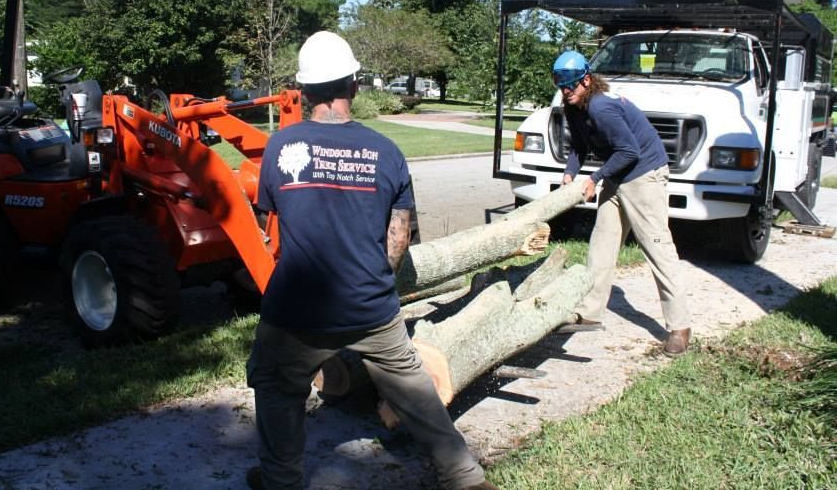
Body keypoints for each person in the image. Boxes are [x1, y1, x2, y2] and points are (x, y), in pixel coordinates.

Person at [246, 31, 496, 490]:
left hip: (297, 308)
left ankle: (281, 479)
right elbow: (397, 242)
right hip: (372, 307)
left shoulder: (282, 148)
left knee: (277, 386)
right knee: (416, 392)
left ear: (303, 91)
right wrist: (371, 285)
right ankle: (464, 476)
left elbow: (269, 218)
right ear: (354, 86)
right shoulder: (387, 152)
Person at [552, 51, 692, 357]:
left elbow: (630, 151)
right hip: (618, 173)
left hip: (644, 174)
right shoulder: (573, 106)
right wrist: (569, 175)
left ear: (586, 80)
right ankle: (590, 311)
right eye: (560, 84)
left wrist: (595, 178)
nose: (566, 90)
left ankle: (679, 327)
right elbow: (579, 145)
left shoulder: (602, 107)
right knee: (601, 243)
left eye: (571, 84)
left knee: (658, 248)